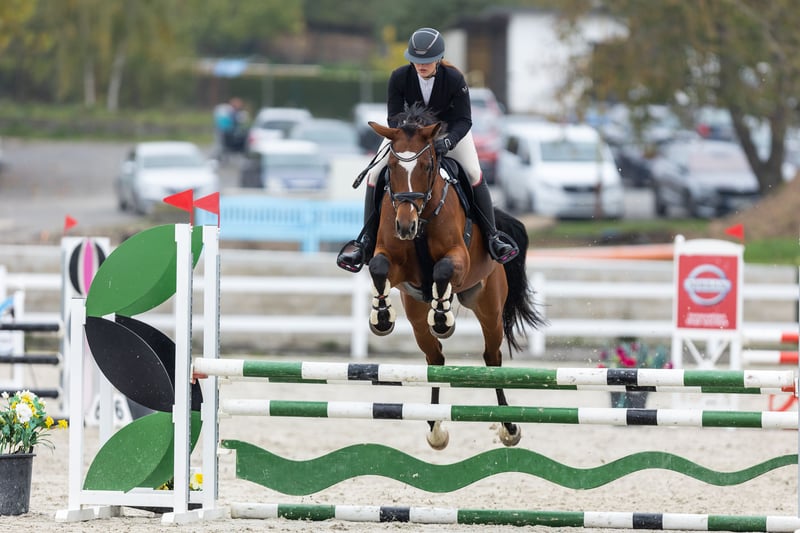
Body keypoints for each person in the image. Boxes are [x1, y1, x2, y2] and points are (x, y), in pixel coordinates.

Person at [337, 27, 518, 273]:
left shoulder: (454, 79)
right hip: (408, 136)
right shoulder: (399, 77)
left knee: (474, 173)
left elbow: (464, 120)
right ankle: (366, 241)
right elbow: (393, 117)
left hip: (448, 134)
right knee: (374, 173)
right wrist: (410, 138)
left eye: (427, 61)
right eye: (416, 60)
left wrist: (448, 141)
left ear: (439, 59)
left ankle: (492, 237)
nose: (421, 65)